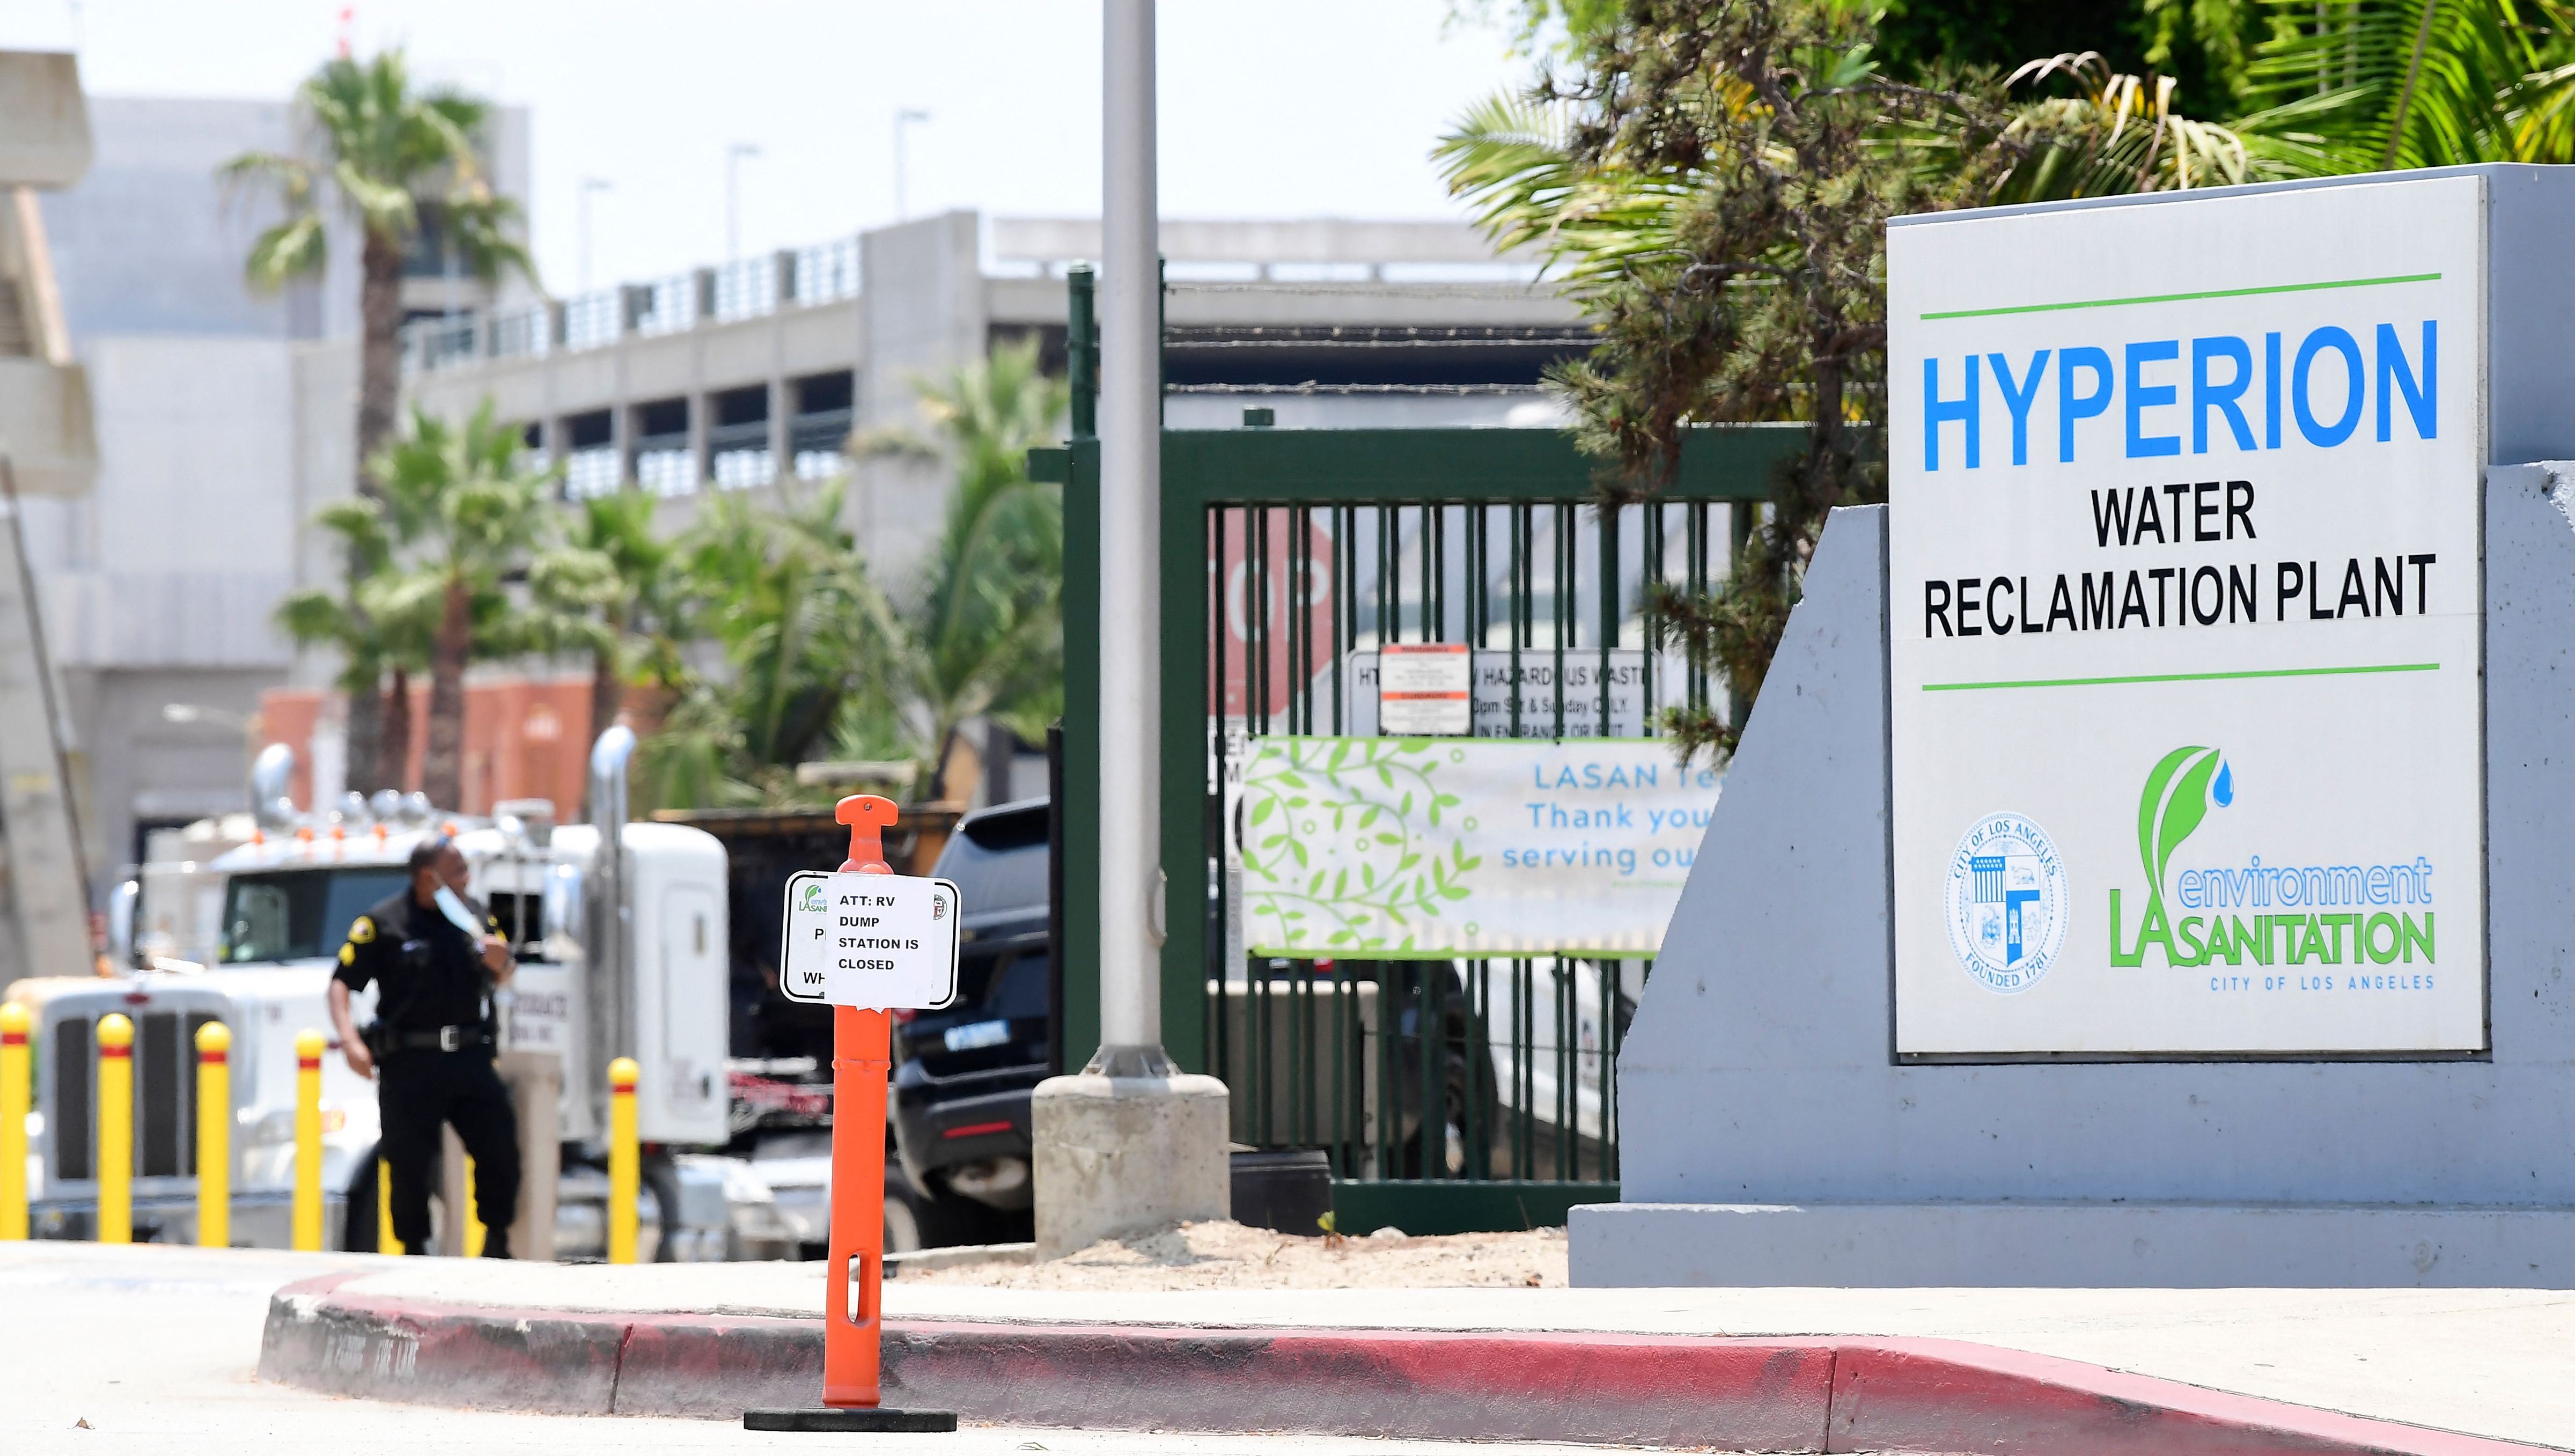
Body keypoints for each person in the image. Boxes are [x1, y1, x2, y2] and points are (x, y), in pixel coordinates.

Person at [327, 836, 521, 1257]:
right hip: (410, 1063)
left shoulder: (474, 918)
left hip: (469, 1056)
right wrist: (350, 1041)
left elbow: (506, 970)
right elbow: (342, 983)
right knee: (408, 1162)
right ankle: (414, 1247)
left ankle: (497, 1240)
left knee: (500, 1146)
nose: (466, 879)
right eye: (457, 872)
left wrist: (501, 963)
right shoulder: (383, 922)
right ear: (426, 877)